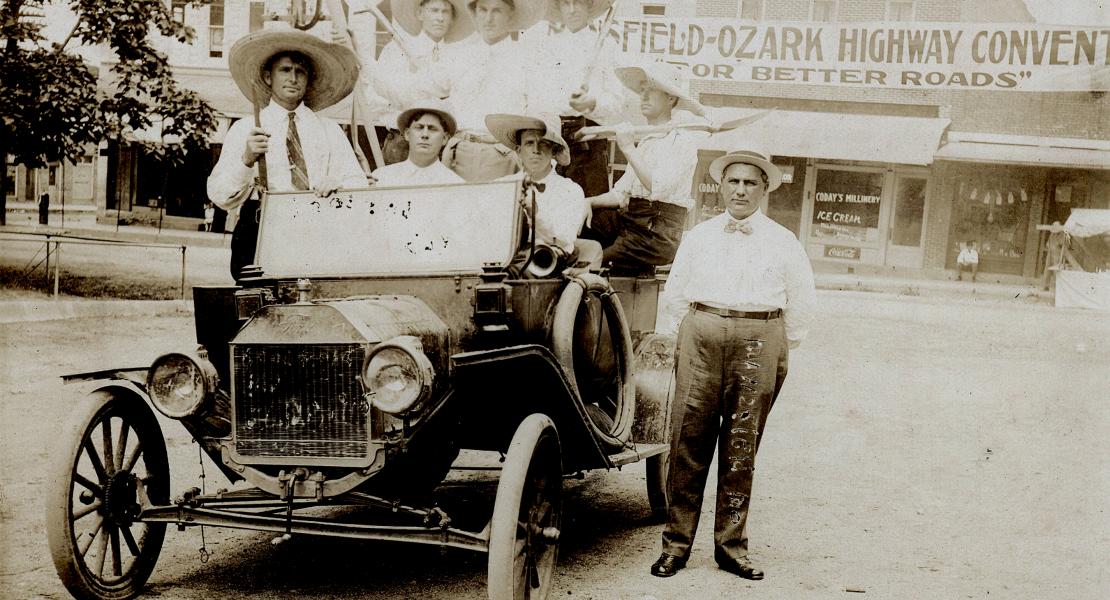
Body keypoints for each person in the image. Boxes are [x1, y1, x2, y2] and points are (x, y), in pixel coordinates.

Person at [649, 146, 816, 581]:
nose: (741, 190)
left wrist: (777, 342)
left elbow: (800, 302)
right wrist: (677, 336)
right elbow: (677, 292)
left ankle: (731, 547)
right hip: (702, 332)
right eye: (734, 181)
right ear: (720, 186)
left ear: (764, 190)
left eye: (750, 183)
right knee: (688, 441)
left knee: (741, 446)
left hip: (759, 337)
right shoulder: (699, 236)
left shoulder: (783, 240)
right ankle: (676, 545)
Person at [208, 27, 368, 280]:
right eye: (285, 70)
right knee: (260, 311)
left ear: (308, 79)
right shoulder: (246, 128)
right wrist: (246, 161)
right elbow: (220, 196)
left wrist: (337, 184)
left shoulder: (328, 130)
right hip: (261, 233)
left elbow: (358, 185)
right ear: (268, 77)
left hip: (317, 232)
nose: (293, 78)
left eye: (300, 71)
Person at [584, 61, 709, 274]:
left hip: (657, 233)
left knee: (587, 266)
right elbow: (620, 194)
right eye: (642, 91)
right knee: (576, 225)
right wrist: (587, 202)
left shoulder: (681, 141)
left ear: (671, 98)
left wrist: (627, 149)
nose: (643, 97)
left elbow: (657, 187)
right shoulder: (646, 141)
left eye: (651, 91)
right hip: (632, 222)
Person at [520, 0, 625, 196]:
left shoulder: (607, 47)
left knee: (591, 218)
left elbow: (618, 106)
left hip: (587, 143)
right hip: (549, 140)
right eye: (565, 3)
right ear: (558, 8)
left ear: (589, 6)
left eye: (578, 2)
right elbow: (532, 98)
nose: (572, 9)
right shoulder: (545, 47)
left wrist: (592, 103)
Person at [439, 0, 544, 182]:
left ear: (510, 15)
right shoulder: (458, 55)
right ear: (475, 13)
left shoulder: (527, 59)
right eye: (483, 10)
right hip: (456, 155)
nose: (488, 18)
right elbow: (425, 91)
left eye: (496, 11)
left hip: (502, 157)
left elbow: (539, 114)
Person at [487, 112, 602, 269]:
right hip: (498, 263)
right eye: (529, 143)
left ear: (554, 151)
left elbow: (565, 240)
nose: (536, 150)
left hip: (545, 267)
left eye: (544, 143)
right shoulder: (502, 186)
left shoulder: (569, 190)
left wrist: (535, 213)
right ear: (518, 151)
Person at [371, 0, 472, 164]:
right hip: (402, 143)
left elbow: (460, 101)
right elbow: (377, 98)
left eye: (445, 12)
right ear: (420, 13)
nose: (439, 17)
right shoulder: (396, 49)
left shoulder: (458, 56)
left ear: (452, 18)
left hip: (444, 147)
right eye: (434, 10)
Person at [371, 101, 465, 186]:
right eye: (419, 128)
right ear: (407, 134)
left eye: (432, 129)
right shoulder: (382, 177)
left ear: (445, 138)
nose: (425, 135)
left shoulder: (454, 184)